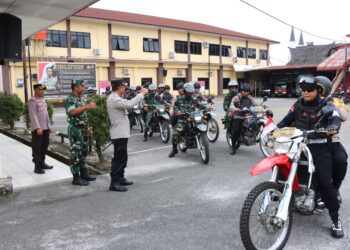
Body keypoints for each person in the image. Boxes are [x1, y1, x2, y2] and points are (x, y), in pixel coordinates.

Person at [277, 76, 344, 238]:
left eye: (309, 90)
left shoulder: (327, 105)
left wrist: (333, 126)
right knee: (279, 166)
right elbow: (286, 120)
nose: (305, 92)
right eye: (303, 89)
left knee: (325, 181)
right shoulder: (297, 105)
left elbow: (335, 118)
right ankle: (279, 195)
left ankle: (335, 219)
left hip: (319, 146)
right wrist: (274, 129)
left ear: (319, 91)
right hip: (297, 145)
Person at [107, 78, 148, 192]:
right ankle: (114, 183)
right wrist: (141, 94)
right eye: (124, 87)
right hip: (118, 133)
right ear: (120, 87)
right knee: (118, 159)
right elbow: (129, 104)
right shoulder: (113, 98)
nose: (125, 89)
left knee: (123, 158)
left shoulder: (117, 98)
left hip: (122, 133)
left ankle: (120, 178)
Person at [315, 76, 348, 205]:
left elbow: (344, 117)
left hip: (331, 140)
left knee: (340, 161)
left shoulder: (334, 101)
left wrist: (333, 104)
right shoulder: (307, 99)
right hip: (310, 139)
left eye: (318, 88)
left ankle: (335, 189)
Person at [65, 79, 97, 186]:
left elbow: (83, 115)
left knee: (83, 153)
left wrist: (89, 128)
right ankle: (76, 178)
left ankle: (84, 174)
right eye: (82, 86)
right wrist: (87, 106)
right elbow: (72, 112)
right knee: (75, 154)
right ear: (75, 87)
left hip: (83, 129)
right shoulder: (70, 99)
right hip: (75, 130)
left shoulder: (80, 99)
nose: (83, 88)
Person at [27, 83, 53, 174]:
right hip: (38, 129)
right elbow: (33, 115)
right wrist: (38, 127)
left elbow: (46, 114)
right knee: (37, 147)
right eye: (41, 90)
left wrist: (49, 126)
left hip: (45, 128)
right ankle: (37, 166)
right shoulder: (32, 101)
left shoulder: (43, 100)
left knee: (44, 146)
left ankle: (42, 163)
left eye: (43, 90)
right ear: (36, 90)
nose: (42, 91)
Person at [168, 82, 197, 158]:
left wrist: (207, 106)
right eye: (189, 93)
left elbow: (201, 103)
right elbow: (175, 106)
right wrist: (177, 111)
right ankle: (174, 150)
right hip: (183, 119)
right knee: (175, 134)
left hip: (194, 118)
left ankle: (202, 141)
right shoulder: (179, 98)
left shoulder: (194, 98)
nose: (191, 94)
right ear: (185, 92)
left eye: (192, 93)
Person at [229, 83, 257, 155]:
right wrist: (235, 109)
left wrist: (261, 107)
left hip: (248, 115)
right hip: (239, 116)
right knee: (236, 130)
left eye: (248, 92)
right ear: (242, 91)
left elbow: (255, 104)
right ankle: (233, 147)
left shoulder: (250, 97)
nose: (246, 93)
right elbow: (231, 106)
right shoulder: (236, 98)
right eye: (245, 91)